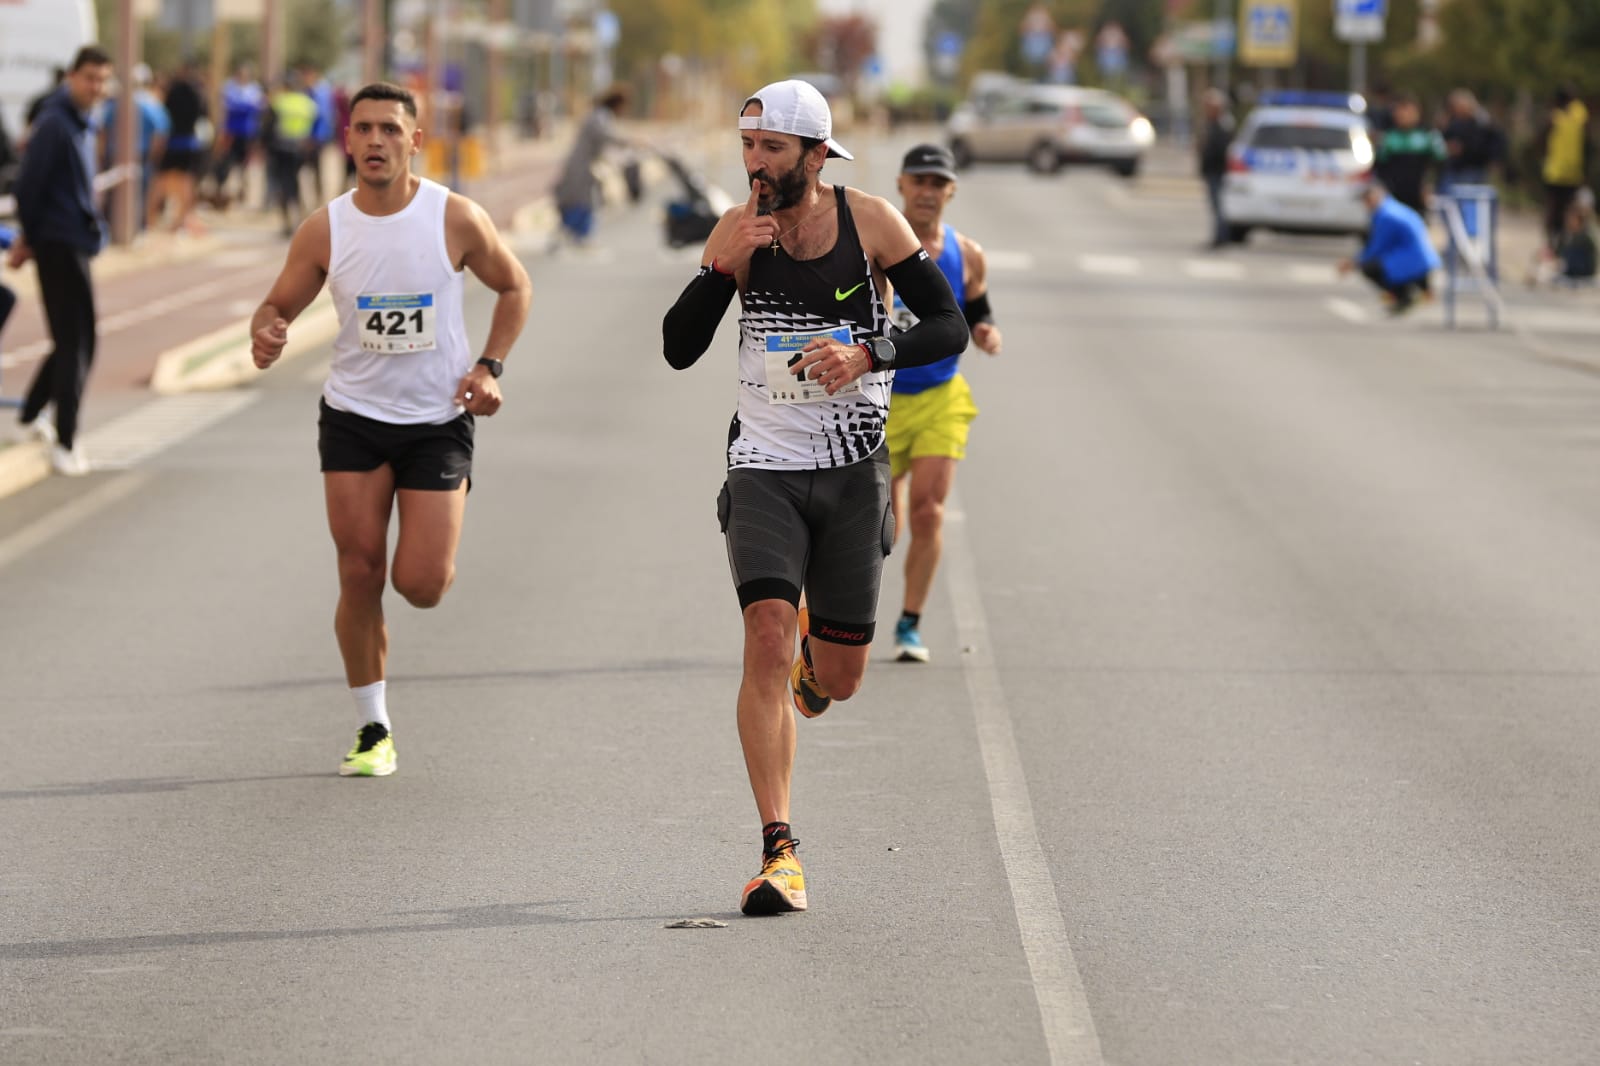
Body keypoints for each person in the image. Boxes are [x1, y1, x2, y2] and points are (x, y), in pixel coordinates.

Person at [661, 79, 967, 915]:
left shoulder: (870, 221)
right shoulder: (738, 231)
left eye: (771, 151)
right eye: (748, 149)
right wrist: (716, 266)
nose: (755, 166)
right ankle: (778, 851)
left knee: (839, 678)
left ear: (813, 153)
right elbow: (677, 350)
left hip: (854, 470)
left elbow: (949, 326)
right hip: (762, 462)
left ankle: (817, 661)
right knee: (763, 632)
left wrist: (868, 354)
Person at [249, 82, 532, 777]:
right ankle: (373, 728)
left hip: (437, 422)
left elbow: (515, 285)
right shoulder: (326, 228)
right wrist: (268, 331)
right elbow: (277, 303)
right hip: (352, 419)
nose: (376, 141)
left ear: (415, 140)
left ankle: (448, 500)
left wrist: (490, 366)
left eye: (390, 130)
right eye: (364, 129)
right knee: (359, 570)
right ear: (347, 140)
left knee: (422, 583)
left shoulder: (454, 218)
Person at [885, 144, 1001, 663]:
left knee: (930, 511)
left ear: (951, 191)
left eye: (938, 183)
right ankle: (848, 616)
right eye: (919, 181)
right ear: (901, 185)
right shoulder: (876, 245)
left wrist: (985, 329)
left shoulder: (968, 252)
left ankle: (910, 623)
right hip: (881, 399)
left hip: (939, 396)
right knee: (881, 522)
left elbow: (977, 306)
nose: (928, 191)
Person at [6, 45, 114, 476]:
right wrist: (30, 238)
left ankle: (31, 416)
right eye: (89, 78)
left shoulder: (81, 123)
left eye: (103, 80)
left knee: (72, 338)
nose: (97, 87)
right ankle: (66, 441)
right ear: (71, 76)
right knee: (78, 342)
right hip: (58, 242)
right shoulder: (55, 123)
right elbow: (28, 187)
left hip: (72, 240)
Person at [1337, 182, 1441, 314]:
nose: (1364, 205)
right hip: (1422, 257)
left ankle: (1402, 296)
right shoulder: (1394, 208)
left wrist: (1353, 263)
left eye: (1366, 201)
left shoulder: (1386, 216)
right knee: (1380, 262)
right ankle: (1413, 291)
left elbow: (1377, 248)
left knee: (1369, 268)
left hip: (1414, 260)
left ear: (1374, 198)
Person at [552, 84, 632, 247]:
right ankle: (573, 235)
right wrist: (631, 142)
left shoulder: (602, 115)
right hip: (580, 166)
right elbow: (606, 136)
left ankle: (578, 235)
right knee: (581, 200)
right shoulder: (599, 116)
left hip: (587, 166)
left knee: (588, 199)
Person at [148, 61, 208, 233]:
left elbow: (164, 118)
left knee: (160, 182)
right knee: (185, 184)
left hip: (172, 143)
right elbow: (203, 117)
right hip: (189, 143)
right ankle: (180, 221)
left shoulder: (172, 92)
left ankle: (150, 219)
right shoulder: (197, 93)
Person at [263, 73, 318, 236]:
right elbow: (317, 126)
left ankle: (287, 221)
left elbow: (267, 127)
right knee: (296, 183)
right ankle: (300, 219)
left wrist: (264, 146)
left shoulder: (278, 102)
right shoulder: (308, 104)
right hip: (300, 150)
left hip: (280, 149)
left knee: (282, 185)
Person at [1374, 94, 1446, 218]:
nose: (1402, 115)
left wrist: (1431, 186)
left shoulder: (1429, 136)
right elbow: (1379, 168)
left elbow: (1440, 165)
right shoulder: (1388, 137)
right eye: (1399, 111)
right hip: (1393, 197)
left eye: (1406, 111)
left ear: (1417, 112)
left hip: (1419, 197)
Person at [1538, 86, 1589, 250]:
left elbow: (1540, 140)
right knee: (1569, 211)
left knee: (1554, 211)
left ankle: (1555, 243)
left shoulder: (1554, 117)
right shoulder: (1581, 116)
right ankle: (1564, 242)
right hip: (1572, 172)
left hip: (1556, 172)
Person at [209, 63, 264, 209]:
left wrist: (241, 106)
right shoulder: (229, 87)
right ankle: (221, 193)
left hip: (247, 133)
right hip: (231, 133)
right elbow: (232, 106)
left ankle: (242, 193)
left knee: (245, 165)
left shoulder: (253, 89)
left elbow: (256, 107)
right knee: (225, 163)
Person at [1438, 89, 1502, 193]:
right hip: (1453, 168)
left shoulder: (1482, 122)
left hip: (1473, 169)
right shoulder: (1450, 122)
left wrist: (1464, 148)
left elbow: (1490, 143)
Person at [1196, 88, 1233, 249]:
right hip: (1212, 170)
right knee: (1216, 206)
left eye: (1209, 106)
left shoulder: (1223, 124)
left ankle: (1221, 238)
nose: (1206, 109)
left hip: (1218, 171)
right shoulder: (1211, 123)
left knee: (1220, 206)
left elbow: (1221, 149)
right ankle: (1219, 236)